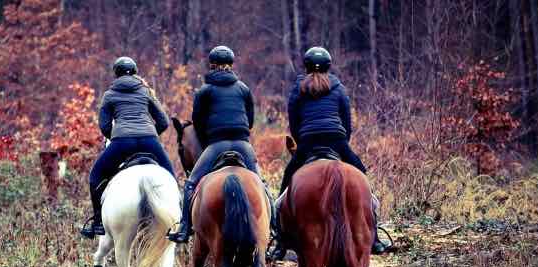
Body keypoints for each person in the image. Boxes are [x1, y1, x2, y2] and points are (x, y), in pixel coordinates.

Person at [273, 46, 386, 256]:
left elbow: (294, 121)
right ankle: (375, 239)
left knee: (284, 190)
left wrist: (302, 141)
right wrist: (342, 143)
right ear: (329, 66)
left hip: (307, 142)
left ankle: (280, 244)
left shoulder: (298, 87)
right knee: (364, 181)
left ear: (305, 66)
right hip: (337, 140)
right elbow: (347, 121)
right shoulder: (339, 87)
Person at [167, 46, 271, 243]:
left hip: (217, 145)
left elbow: (197, 122)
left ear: (211, 65)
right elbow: (249, 122)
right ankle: (274, 229)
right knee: (262, 185)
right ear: (231, 65)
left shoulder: (204, 91)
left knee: (190, 185)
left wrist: (209, 137)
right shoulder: (243, 89)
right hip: (242, 144)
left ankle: (184, 229)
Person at [80, 56, 175, 239]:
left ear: (116, 74)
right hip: (149, 140)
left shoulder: (109, 94)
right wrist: (151, 135)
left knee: (95, 176)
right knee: (171, 177)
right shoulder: (146, 91)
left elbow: (104, 126)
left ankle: (98, 222)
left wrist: (115, 138)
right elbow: (163, 121)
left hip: (122, 142)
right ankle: (180, 222)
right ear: (135, 72)